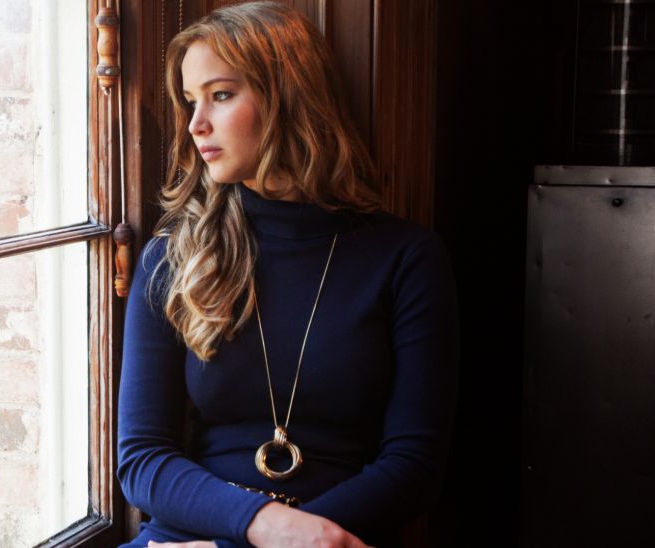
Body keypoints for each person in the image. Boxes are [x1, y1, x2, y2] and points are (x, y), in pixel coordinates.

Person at [116, 2, 458, 547]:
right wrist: (264, 529)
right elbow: (142, 460)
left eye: (220, 95)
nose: (196, 124)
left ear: (287, 97)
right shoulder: (174, 256)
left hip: (335, 537)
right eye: (190, 100)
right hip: (189, 535)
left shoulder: (406, 258)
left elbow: (414, 466)